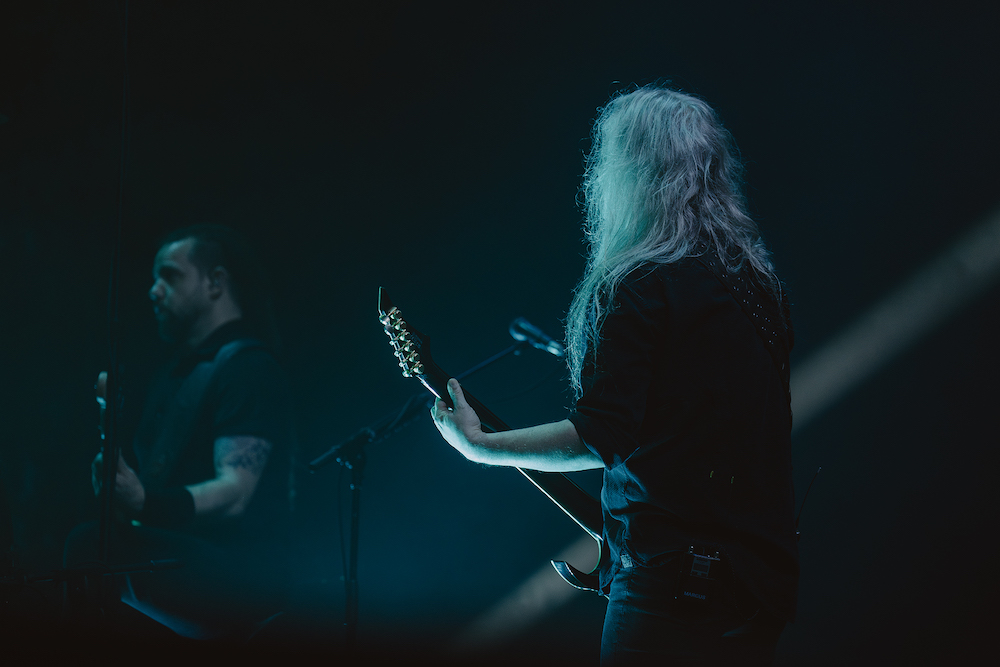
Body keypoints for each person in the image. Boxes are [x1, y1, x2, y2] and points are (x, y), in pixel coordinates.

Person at [431, 85, 798, 666]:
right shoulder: (757, 284)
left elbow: (601, 435)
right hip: (759, 582)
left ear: (630, 173)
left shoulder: (639, 283)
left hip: (672, 587)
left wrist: (481, 447)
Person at [66, 224, 294, 640]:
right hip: (186, 556)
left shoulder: (250, 369)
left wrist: (146, 502)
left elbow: (235, 492)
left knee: (90, 546)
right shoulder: (171, 375)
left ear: (215, 282)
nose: (153, 291)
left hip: (243, 573)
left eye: (169, 276)